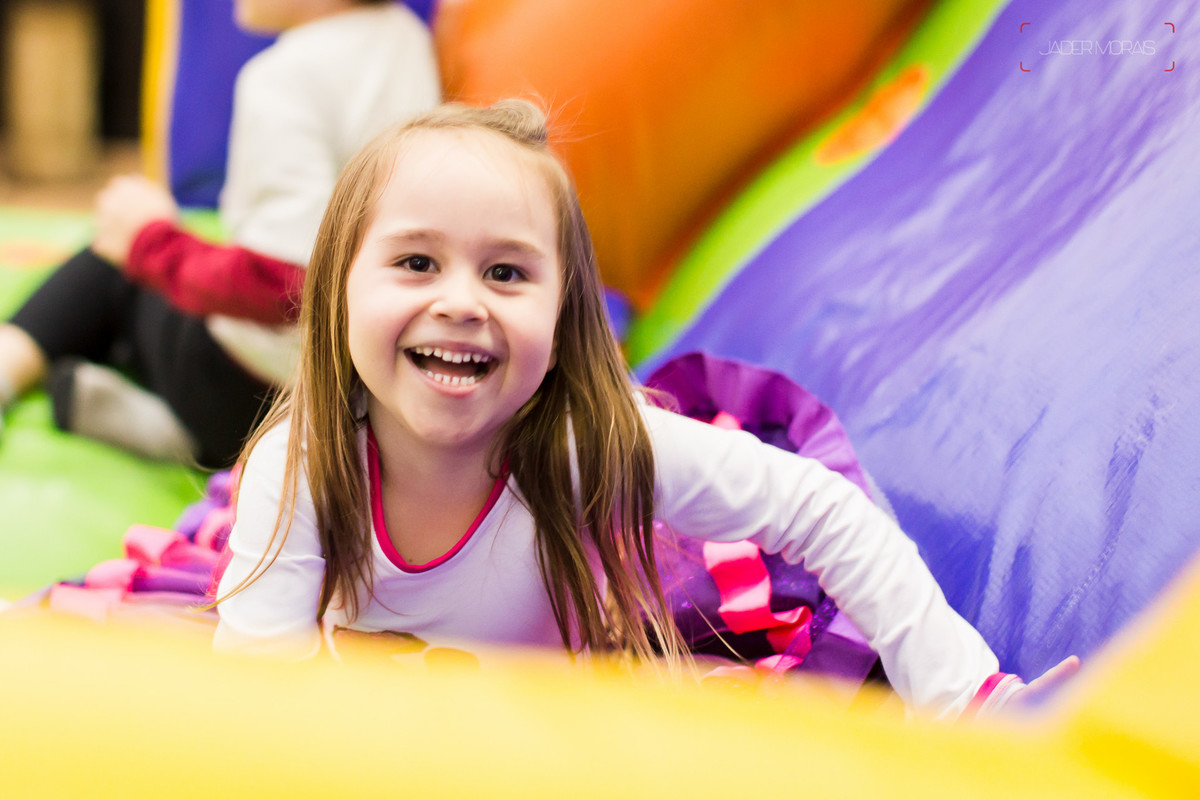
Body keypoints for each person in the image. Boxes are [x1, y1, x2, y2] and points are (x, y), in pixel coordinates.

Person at [213, 99, 1078, 719]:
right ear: (338, 290)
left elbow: (821, 507)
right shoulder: (305, 470)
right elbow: (257, 707)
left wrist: (964, 693)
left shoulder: (587, 445)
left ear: (563, 314)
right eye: (415, 263)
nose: (462, 302)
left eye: (507, 272)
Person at [0, 0, 440, 468]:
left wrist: (148, 241)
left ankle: (18, 373)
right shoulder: (406, 38)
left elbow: (283, 283)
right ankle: (175, 431)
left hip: (252, 392)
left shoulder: (286, 74)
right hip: (358, 393)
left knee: (107, 265)